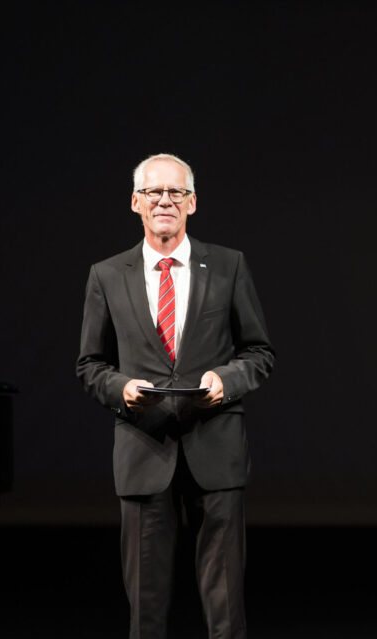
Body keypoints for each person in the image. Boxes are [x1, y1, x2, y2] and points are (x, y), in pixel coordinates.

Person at [77, 153, 274, 639]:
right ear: (135, 202)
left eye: (176, 192)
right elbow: (90, 365)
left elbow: (258, 352)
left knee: (226, 607)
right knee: (145, 609)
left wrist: (226, 379)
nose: (164, 200)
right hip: (144, 449)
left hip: (216, 445)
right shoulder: (106, 275)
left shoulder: (229, 266)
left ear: (192, 203)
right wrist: (120, 388)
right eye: (153, 192)